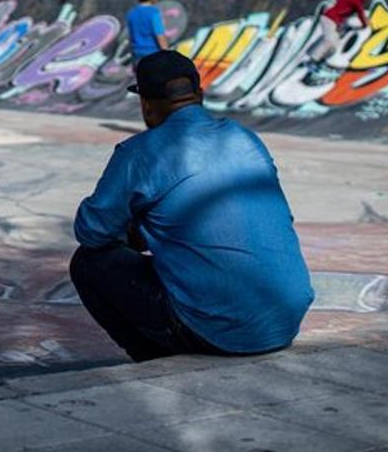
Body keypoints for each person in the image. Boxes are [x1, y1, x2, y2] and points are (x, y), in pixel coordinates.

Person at [69, 50, 314, 362]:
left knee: (89, 263)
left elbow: (91, 232)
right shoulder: (245, 138)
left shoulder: (142, 152)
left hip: (219, 332)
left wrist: (132, 226)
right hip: (284, 319)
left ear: (145, 104)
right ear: (199, 95)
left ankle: (153, 359)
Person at [306, 0, 370, 84]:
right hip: (329, 19)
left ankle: (318, 61)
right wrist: (365, 24)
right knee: (329, 40)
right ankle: (311, 61)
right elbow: (360, 12)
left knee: (334, 47)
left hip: (335, 22)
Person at [125, 0, 168, 66]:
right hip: (153, 54)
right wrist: (167, 54)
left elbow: (131, 36)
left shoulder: (131, 13)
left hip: (137, 54)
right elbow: (159, 36)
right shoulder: (154, 13)